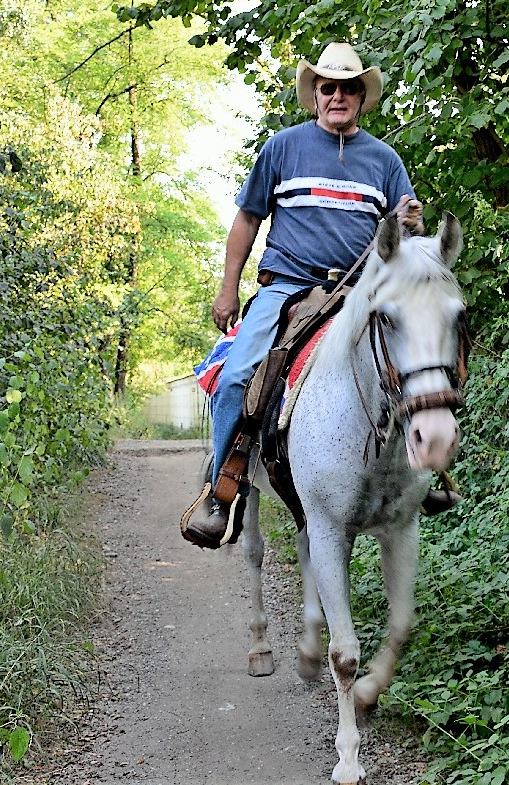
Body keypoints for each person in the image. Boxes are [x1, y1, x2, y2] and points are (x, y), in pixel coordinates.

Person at [181, 42, 455, 549]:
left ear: (359, 96)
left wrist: (408, 224)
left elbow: (404, 240)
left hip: (359, 291)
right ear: (315, 94)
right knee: (240, 373)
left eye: (347, 88)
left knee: (417, 355)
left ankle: (425, 475)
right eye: (328, 87)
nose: (337, 96)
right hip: (285, 286)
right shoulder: (282, 148)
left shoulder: (385, 161)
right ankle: (222, 489)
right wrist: (227, 289)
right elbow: (247, 219)